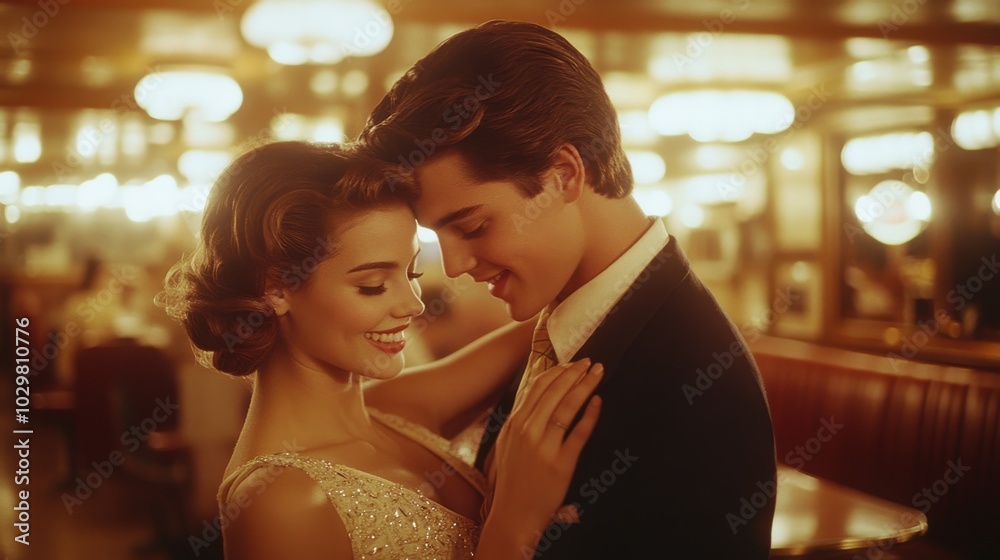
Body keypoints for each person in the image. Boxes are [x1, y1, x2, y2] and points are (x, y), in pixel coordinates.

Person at [359, 20, 777, 558]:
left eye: (472, 226)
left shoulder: (687, 380)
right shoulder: (569, 324)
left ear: (562, 173)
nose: (456, 265)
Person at [159, 140, 603, 559]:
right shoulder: (279, 500)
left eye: (410, 272)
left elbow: (565, 316)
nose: (413, 305)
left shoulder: (395, 408)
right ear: (275, 287)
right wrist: (513, 528)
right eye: (372, 285)